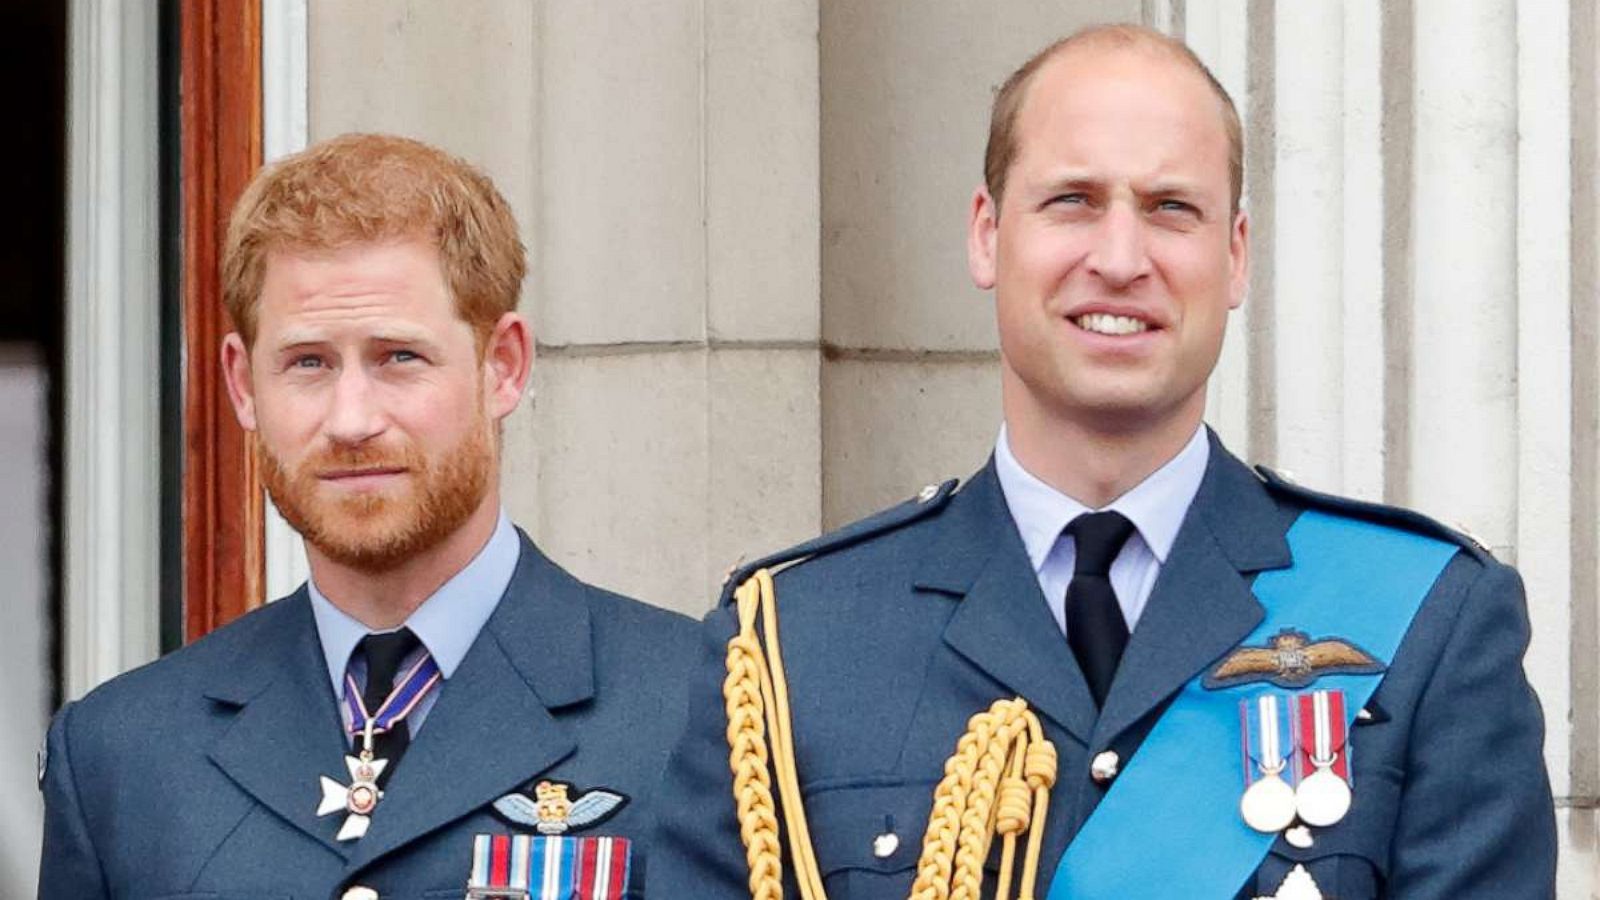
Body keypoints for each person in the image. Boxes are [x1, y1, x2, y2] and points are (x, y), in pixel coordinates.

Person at [649, 24, 1555, 900]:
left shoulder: (1431, 624)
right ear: (985, 234)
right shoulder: (792, 646)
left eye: (1171, 208)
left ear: (1234, 256)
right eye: (1072, 200)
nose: (1121, 259)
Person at [38, 134, 695, 900]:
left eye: (398, 358)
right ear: (244, 384)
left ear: (503, 366)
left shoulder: (697, 709)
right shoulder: (124, 754)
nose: (352, 420)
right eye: (308, 362)